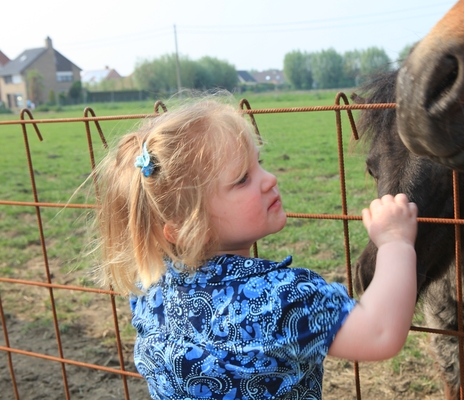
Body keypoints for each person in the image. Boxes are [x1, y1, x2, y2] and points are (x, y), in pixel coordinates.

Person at [94, 94, 418, 400]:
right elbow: (379, 333)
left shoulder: (150, 290)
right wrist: (395, 242)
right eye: (242, 179)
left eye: (259, 163)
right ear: (182, 227)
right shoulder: (280, 299)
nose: (270, 178)